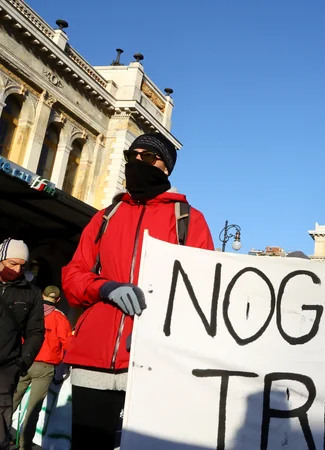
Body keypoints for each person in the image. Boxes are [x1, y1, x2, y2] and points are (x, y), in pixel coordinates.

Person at [61, 132, 214, 449]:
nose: (137, 162)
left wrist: (159, 328)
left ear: (166, 167)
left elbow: (201, 290)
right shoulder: (105, 217)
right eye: (133, 156)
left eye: (147, 157)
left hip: (153, 362)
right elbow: (73, 278)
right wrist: (105, 288)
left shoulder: (188, 219)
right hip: (93, 362)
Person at [12, 286, 72, 450]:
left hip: (24, 362)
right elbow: (68, 344)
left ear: (42, 295)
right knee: (33, 409)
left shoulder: (30, 312)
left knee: (10, 401)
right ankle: (25, 446)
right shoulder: (60, 318)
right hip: (45, 368)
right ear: (58, 300)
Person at [0, 239, 44, 450]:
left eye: (22, 265)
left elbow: (35, 332)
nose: (17, 270)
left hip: (6, 367)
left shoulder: (31, 293)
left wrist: (22, 363)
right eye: (11, 264)